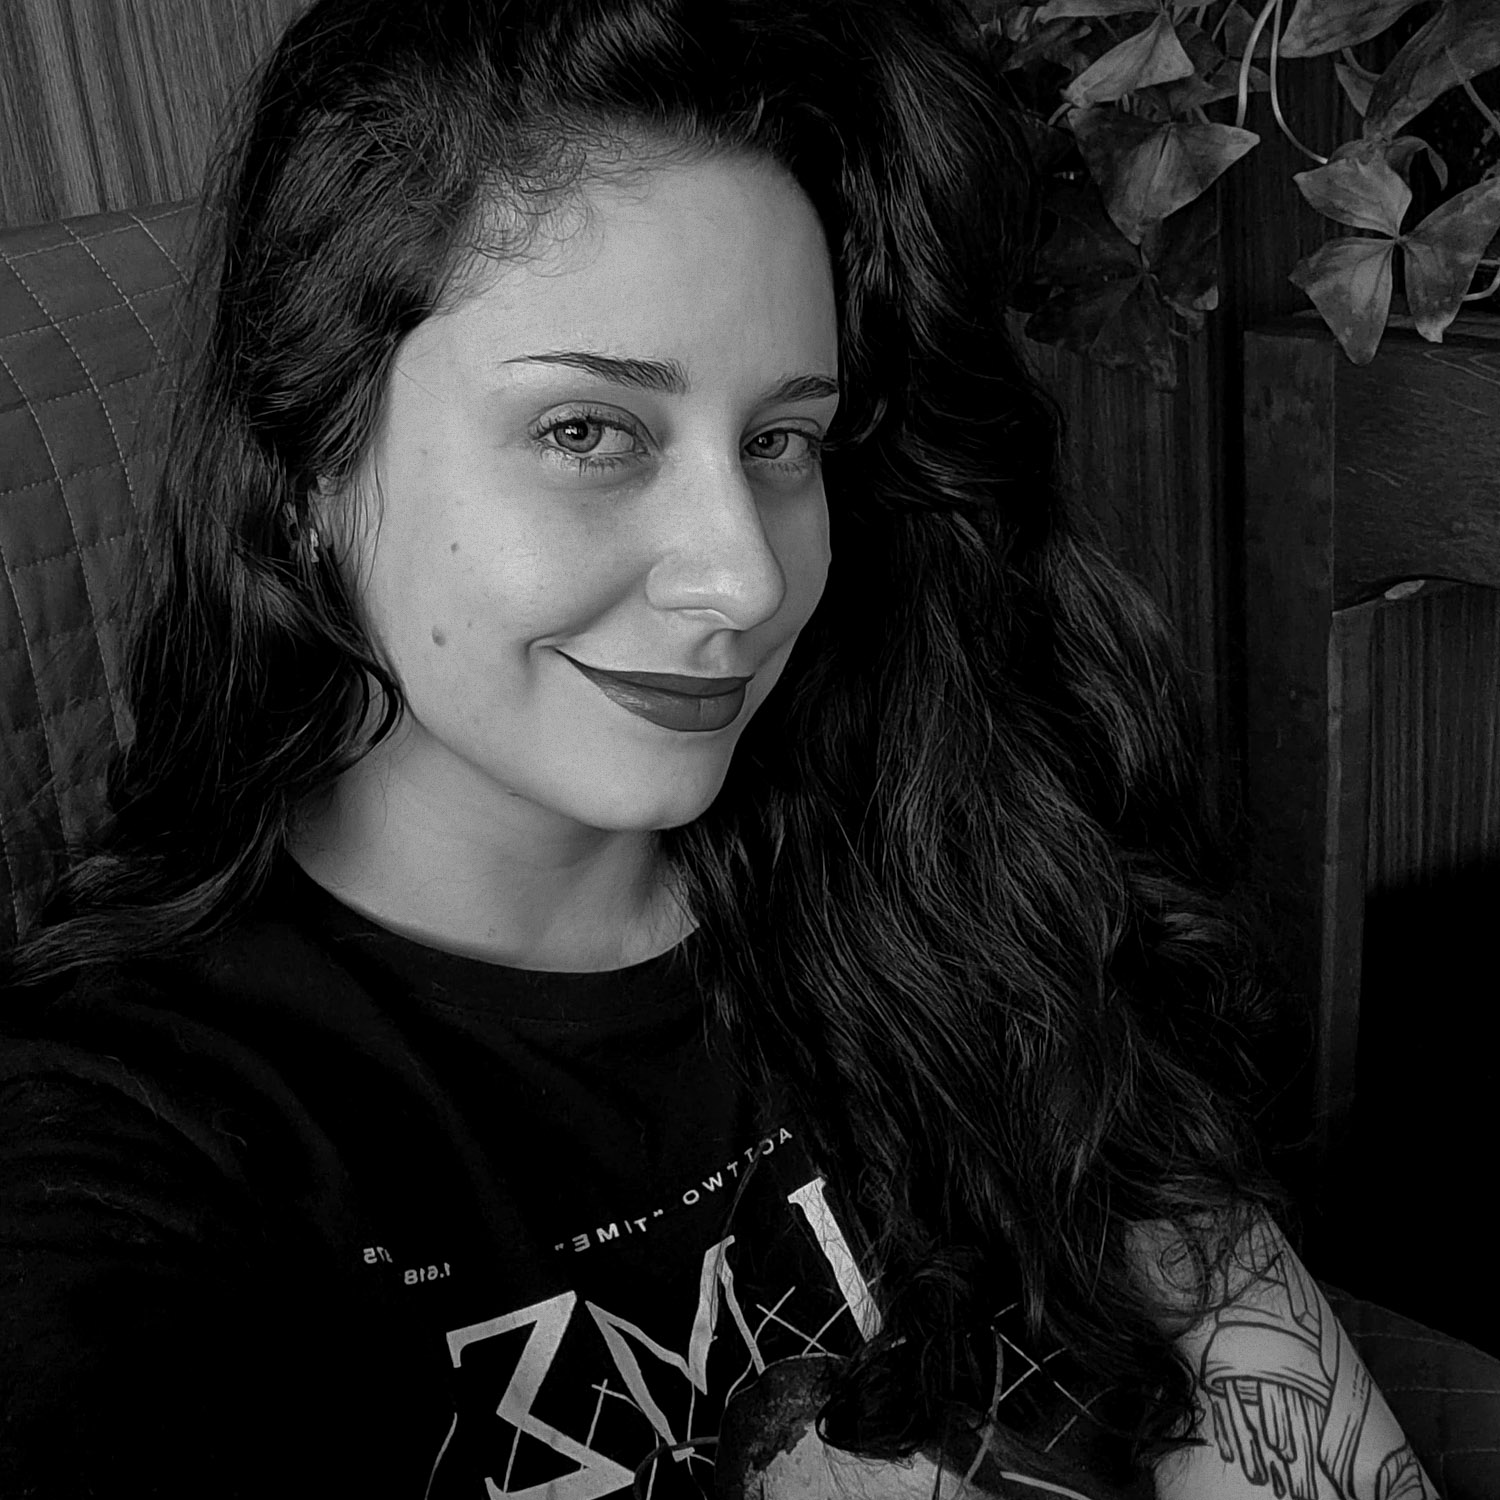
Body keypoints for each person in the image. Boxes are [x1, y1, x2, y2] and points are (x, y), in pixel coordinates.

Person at [0, 1, 1439, 1497]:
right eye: (588, 432)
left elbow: (1281, 1419)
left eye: (781, 442)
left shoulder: (944, 858)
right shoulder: (133, 1138)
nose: (746, 579)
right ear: (308, 462)